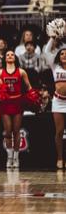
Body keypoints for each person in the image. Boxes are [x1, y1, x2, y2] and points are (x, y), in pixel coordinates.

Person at [0, 50, 32, 169]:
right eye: (8, 55)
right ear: (5, 58)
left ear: (15, 58)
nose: (10, 56)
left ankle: (16, 158)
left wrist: (33, 97)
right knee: (8, 131)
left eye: (12, 54)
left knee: (16, 131)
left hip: (17, 102)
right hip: (5, 103)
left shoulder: (21, 71)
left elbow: (29, 87)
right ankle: (9, 157)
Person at [43, 33, 66, 169]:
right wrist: (53, 36)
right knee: (59, 131)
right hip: (58, 102)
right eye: (61, 53)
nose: (64, 55)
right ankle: (59, 158)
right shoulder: (55, 67)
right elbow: (46, 51)